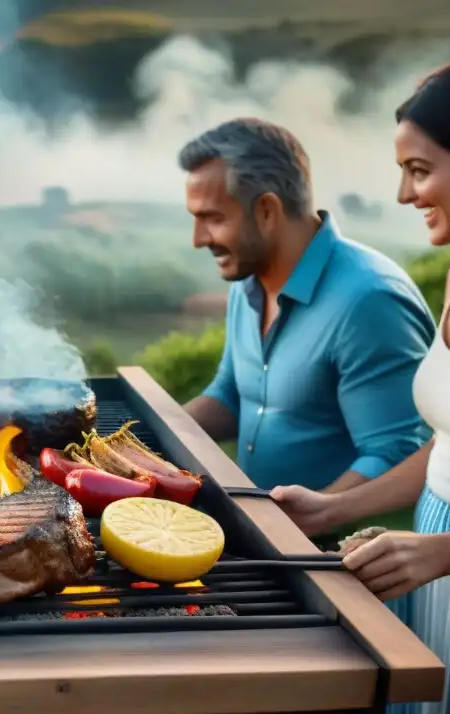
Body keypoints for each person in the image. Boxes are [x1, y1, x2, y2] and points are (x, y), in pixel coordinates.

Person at [268, 59, 450, 714]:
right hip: (436, 565)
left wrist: (448, 553)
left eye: (420, 170)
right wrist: (333, 510)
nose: (402, 193)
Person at [177, 117, 436, 541]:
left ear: (267, 211)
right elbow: (231, 393)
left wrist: (314, 518)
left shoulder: (369, 300)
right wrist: (142, 441)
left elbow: (398, 454)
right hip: (269, 547)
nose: (198, 238)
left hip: (347, 568)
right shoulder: (249, 283)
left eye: (212, 218)